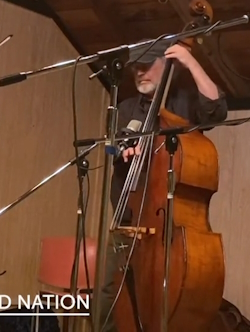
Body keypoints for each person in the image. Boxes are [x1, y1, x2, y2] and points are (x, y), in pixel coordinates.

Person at [97, 41, 228, 331]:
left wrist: (190, 62)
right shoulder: (126, 107)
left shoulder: (185, 102)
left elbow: (217, 111)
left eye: (147, 67)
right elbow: (110, 148)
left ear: (166, 64)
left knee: (161, 299)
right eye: (136, 69)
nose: (140, 73)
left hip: (169, 226)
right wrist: (121, 151)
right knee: (110, 297)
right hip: (127, 219)